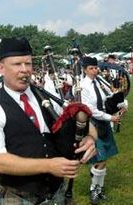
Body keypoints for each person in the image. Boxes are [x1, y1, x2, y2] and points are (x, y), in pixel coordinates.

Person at [0, 37, 97, 205]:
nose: (25, 70)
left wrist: (90, 138)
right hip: (18, 197)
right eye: (17, 64)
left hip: (57, 193)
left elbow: (81, 121)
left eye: (28, 64)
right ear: (1, 68)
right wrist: (48, 166)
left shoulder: (46, 97)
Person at [80, 56, 122, 205]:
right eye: (91, 68)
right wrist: (109, 117)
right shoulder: (83, 86)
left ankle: (99, 188)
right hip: (93, 124)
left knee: (104, 159)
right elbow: (90, 109)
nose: (94, 70)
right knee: (100, 158)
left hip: (104, 122)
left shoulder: (100, 81)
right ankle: (93, 190)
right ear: (84, 69)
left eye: (96, 68)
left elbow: (109, 97)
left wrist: (121, 104)